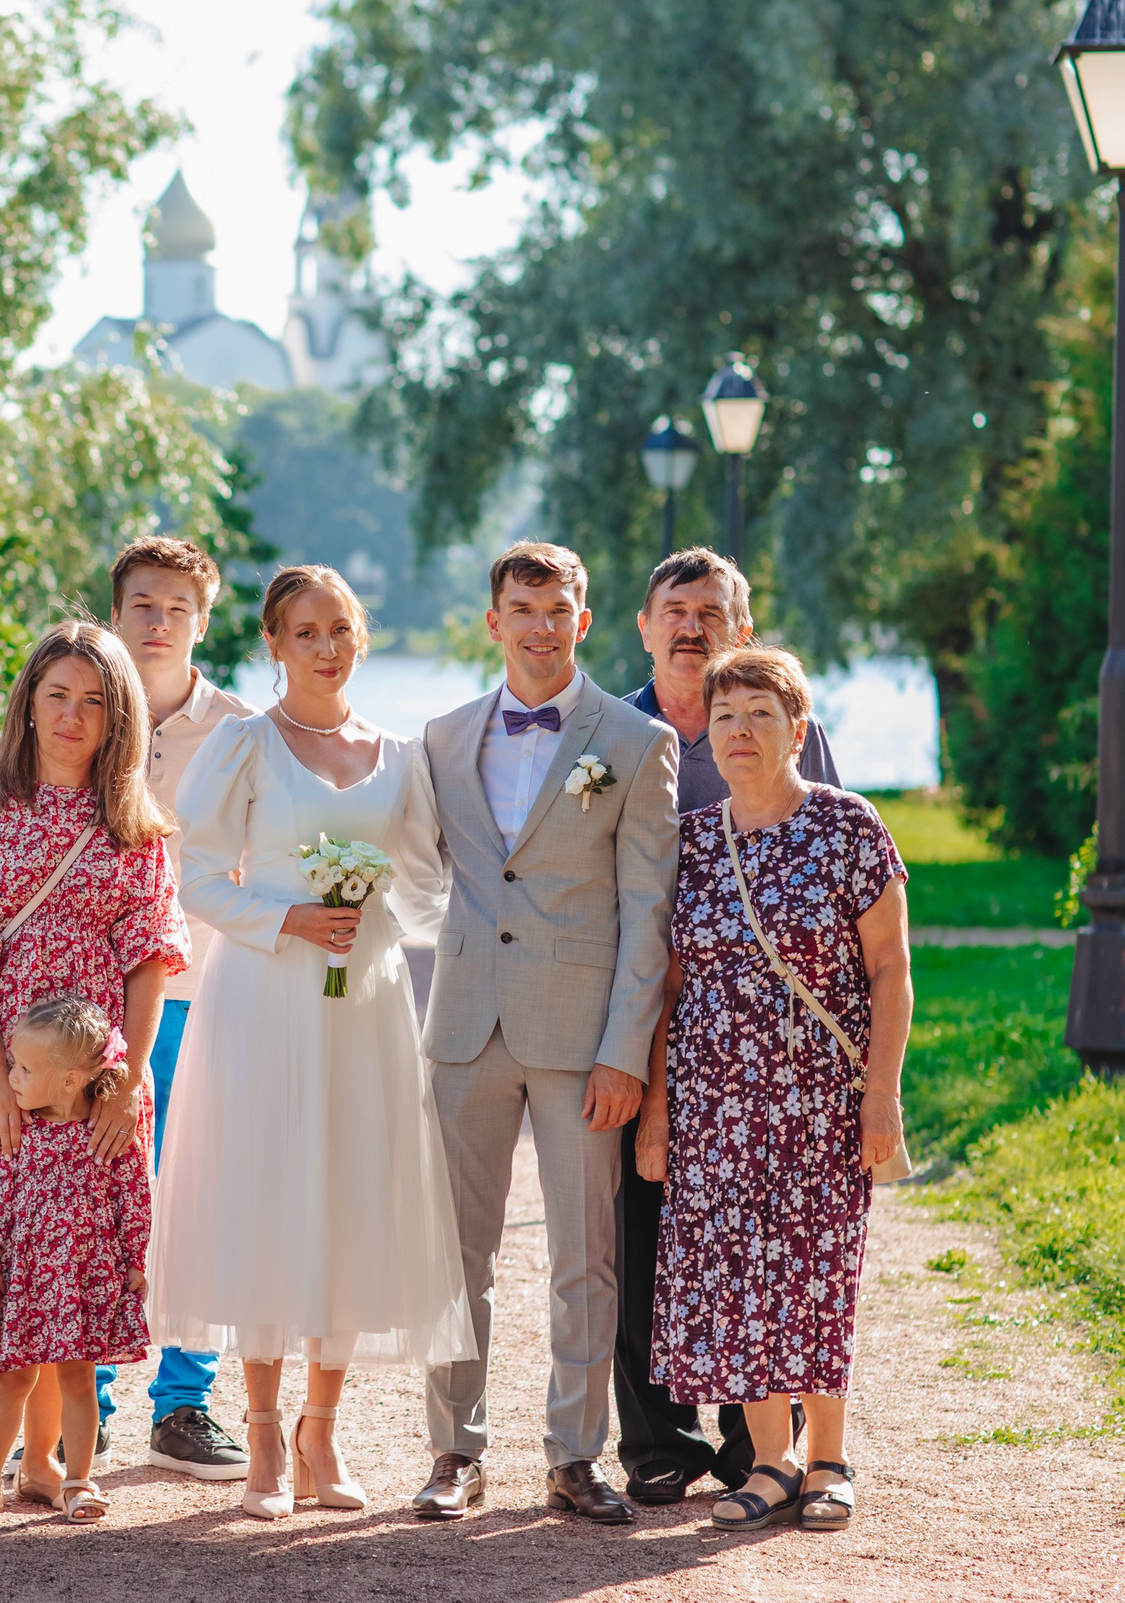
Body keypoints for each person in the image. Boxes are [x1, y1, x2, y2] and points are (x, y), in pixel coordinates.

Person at [150, 564, 472, 1521]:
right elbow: (196, 880)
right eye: (305, 632)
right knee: (266, 1197)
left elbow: (425, 888)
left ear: (360, 637)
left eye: (340, 630)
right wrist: (289, 917)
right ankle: (259, 1434)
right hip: (262, 994)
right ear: (274, 643)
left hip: (363, 1001)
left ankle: (319, 1436)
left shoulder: (400, 755)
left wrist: (394, 918)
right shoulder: (245, 744)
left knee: (349, 1201)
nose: (326, 648)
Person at [410, 540, 679, 1526]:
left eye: (556, 608)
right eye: (521, 609)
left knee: (585, 1256)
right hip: (464, 1026)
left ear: (583, 619)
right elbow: (413, 866)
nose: (539, 625)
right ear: (493, 621)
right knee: (455, 1254)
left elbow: (649, 912)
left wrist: (623, 1050)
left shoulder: (637, 741)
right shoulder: (441, 737)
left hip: (581, 1038)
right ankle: (454, 1451)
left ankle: (574, 1455)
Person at [634, 646, 912, 1532]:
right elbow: (669, 989)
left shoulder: (848, 825)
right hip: (714, 1105)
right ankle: (771, 1463)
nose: (740, 730)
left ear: (798, 730)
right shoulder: (692, 844)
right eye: (725, 716)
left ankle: (829, 1459)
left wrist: (881, 1092)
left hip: (820, 1100)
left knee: (818, 1275)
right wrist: (657, 1108)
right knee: (738, 1279)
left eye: (761, 713)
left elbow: (891, 969)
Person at [0, 622, 187, 1513]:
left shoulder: (133, 822)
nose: (73, 715)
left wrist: (129, 1077)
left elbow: (150, 959)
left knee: (68, 1261)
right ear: (28, 702)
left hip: (95, 1077)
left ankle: (43, 1468)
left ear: (119, 718)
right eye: (58, 694)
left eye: (95, 701)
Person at [613, 548, 840, 1504]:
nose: (691, 626)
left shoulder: (784, 729)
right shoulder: (607, 732)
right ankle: (660, 1440)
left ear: (741, 630)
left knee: (765, 1237)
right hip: (636, 1016)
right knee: (642, 1233)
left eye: (711, 612)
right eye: (675, 610)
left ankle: (761, 1446)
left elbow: (830, 862)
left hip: (765, 1046)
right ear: (644, 625)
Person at [98, 536, 253, 1482]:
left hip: (203, 999)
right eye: (143, 605)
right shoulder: (76, 710)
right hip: (88, 1008)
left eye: (178, 609)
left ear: (203, 620)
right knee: (96, 1195)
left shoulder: (240, 732)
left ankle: (184, 1402)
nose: (159, 623)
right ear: (116, 612)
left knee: (198, 1200)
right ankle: (85, 1402)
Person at [0, 995, 154, 1524]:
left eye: (23, 1068)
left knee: (80, 1379)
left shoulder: (109, 1135)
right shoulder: (16, 1130)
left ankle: (79, 1481)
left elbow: (134, 1199)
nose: (12, 1077)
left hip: (85, 1275)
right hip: (25, 1277)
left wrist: (135, 1259)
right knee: (13, 1378)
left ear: (69, 1080)